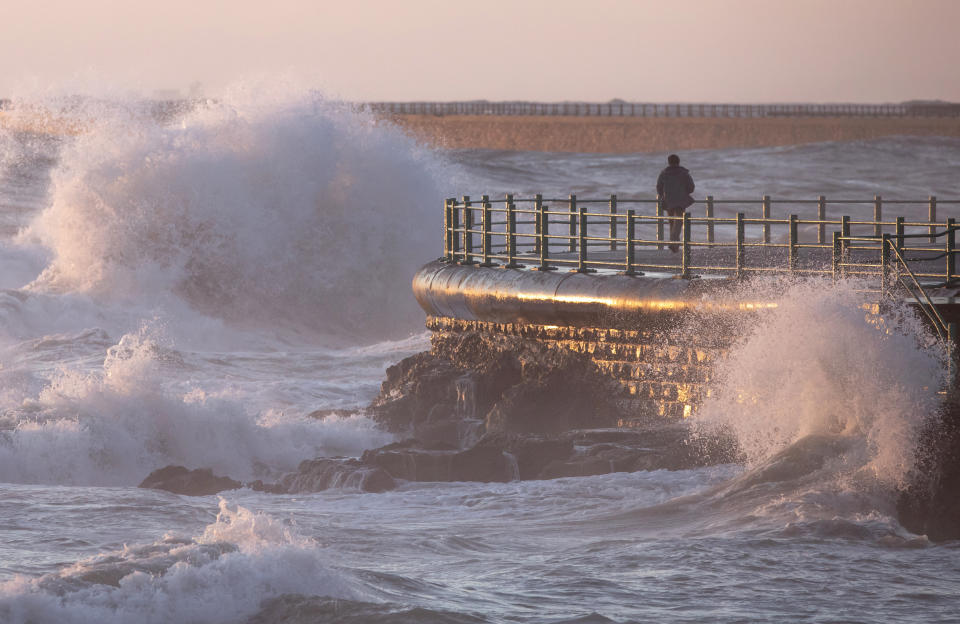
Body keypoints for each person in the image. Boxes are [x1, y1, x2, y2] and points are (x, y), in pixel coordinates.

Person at [656, 154, 695, 252]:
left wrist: (662, 195)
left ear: (669, 162)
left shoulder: (664, 173)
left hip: (668, 200)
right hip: (681, 200)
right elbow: (691, 187)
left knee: (672, 222)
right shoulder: (684, 173)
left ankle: (674, 244)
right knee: (678, 222)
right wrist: (684, 191)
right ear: (678, 161)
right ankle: (673, 242)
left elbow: (659, 187)